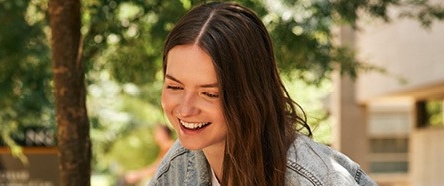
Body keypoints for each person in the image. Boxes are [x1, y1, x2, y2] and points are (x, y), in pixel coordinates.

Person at [149, 2, 375, 186]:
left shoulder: (316, 179)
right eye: (175, 87)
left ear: (250, 94)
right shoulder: (180, 164)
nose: (185, 109)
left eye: (210, 94)